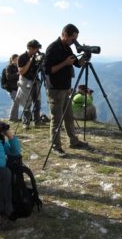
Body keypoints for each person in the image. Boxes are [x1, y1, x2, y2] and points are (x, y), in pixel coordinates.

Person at [44, 23, 89, 156]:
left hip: (66, 88)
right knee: (56, 118)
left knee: (69, 117)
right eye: (72, 38)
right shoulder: (53, 48)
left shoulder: (67, 49)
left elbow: (77, 64)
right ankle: (56, 146)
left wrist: (85, 56)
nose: (73, 42)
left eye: (75, 39)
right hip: (55, 89)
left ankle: (73, 141)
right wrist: (64, 63)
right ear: (64, 35)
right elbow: (48, 70)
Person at [16, 39, 44, 129]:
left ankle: (37, 121)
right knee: (26, 103)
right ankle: (26, 122)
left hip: (35, 80)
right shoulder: (22, 57)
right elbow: (21, 71)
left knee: (37, 101)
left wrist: (41, 61)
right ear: (30, 48)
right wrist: (30, 61)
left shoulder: (37, 56)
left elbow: (40, 69)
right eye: (35, 49)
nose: (37, 51)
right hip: (25, 80)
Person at [6, 54, 20, 122]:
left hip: (17, 87)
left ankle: (15, 117)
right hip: (12, 88)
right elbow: (9, 77)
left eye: (18, 59)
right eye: (16, 59)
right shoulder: (9, 67)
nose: (17, 61)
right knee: (15, 103)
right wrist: (17, 74)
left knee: (16, 103)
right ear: (12, 60)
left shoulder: (17, 66)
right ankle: (12, 118)